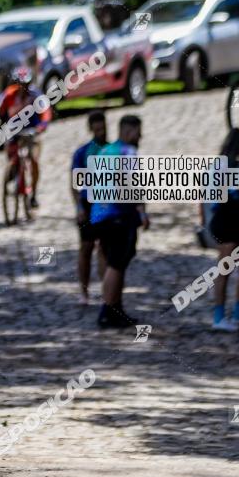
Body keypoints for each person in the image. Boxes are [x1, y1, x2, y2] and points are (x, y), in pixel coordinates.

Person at [90, 114, 150, 327]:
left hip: (100, 215)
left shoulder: (105, 151)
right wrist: (142, 213)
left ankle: (116, 308)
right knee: (116, 263)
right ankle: (106, 311)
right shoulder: (128, 152)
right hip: (119, 215)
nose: (140, 136)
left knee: (115, 262)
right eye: (138, 131)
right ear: (127, 131)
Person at [199, 128, 239, 331]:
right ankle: (220, 317)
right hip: (227, 222)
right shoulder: (230, 166)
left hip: (223, 221)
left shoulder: (218, 163)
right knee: (227, 271)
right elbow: (232, 196)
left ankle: (237, 312)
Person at [0, 66, 52, 208]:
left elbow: (45, 110)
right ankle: (13, 170)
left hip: (32, 131)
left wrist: (43, 125)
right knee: (10, 151)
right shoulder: (9, 94)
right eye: (19, 84)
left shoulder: (36, 95)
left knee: (33, 159)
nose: (22, 88)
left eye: (25, 84)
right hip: (14, 131)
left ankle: (33, 194)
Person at [71, 110, 109, 304]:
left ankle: (105, 291)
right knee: (86, 248)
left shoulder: (114, 150)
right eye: (97, 129)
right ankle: (84, 291)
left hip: (107, 204)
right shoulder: (82, 152)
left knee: (104, 248)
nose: (102, 132)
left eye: (103, 128)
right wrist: (79, 207)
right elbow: (75, 184)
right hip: (88, 203)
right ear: (91, 129)